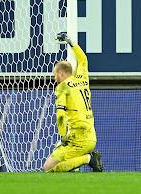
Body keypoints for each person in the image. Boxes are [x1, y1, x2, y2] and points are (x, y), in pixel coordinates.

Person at [43, 32, 103, 172]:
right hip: (91, 137)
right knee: (65, 166)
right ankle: (80, 162)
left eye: (55, 75)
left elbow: (60, 115)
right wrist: (72, 43)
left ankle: (89, 159)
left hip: (77, 140)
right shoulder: (82, 80)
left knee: (48, 168)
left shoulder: (62, 87)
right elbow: (83, 60)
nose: (55, 78)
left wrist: (63, 136)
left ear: (61, 73)